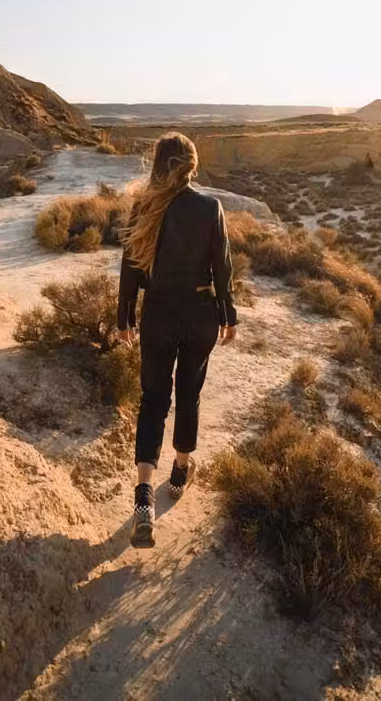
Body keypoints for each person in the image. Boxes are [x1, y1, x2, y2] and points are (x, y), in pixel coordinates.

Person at [116, 132, 238, 548]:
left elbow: (130, 267)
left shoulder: (144, 208)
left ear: (157, 163)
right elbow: (222, 268)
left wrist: (123, 317)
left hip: (158, 314)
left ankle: (144, 500)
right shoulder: (209, 207)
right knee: (189, 394)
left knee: (153, 399)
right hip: (200, 313)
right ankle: (180, 471)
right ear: (192, 164)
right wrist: (229, 314)